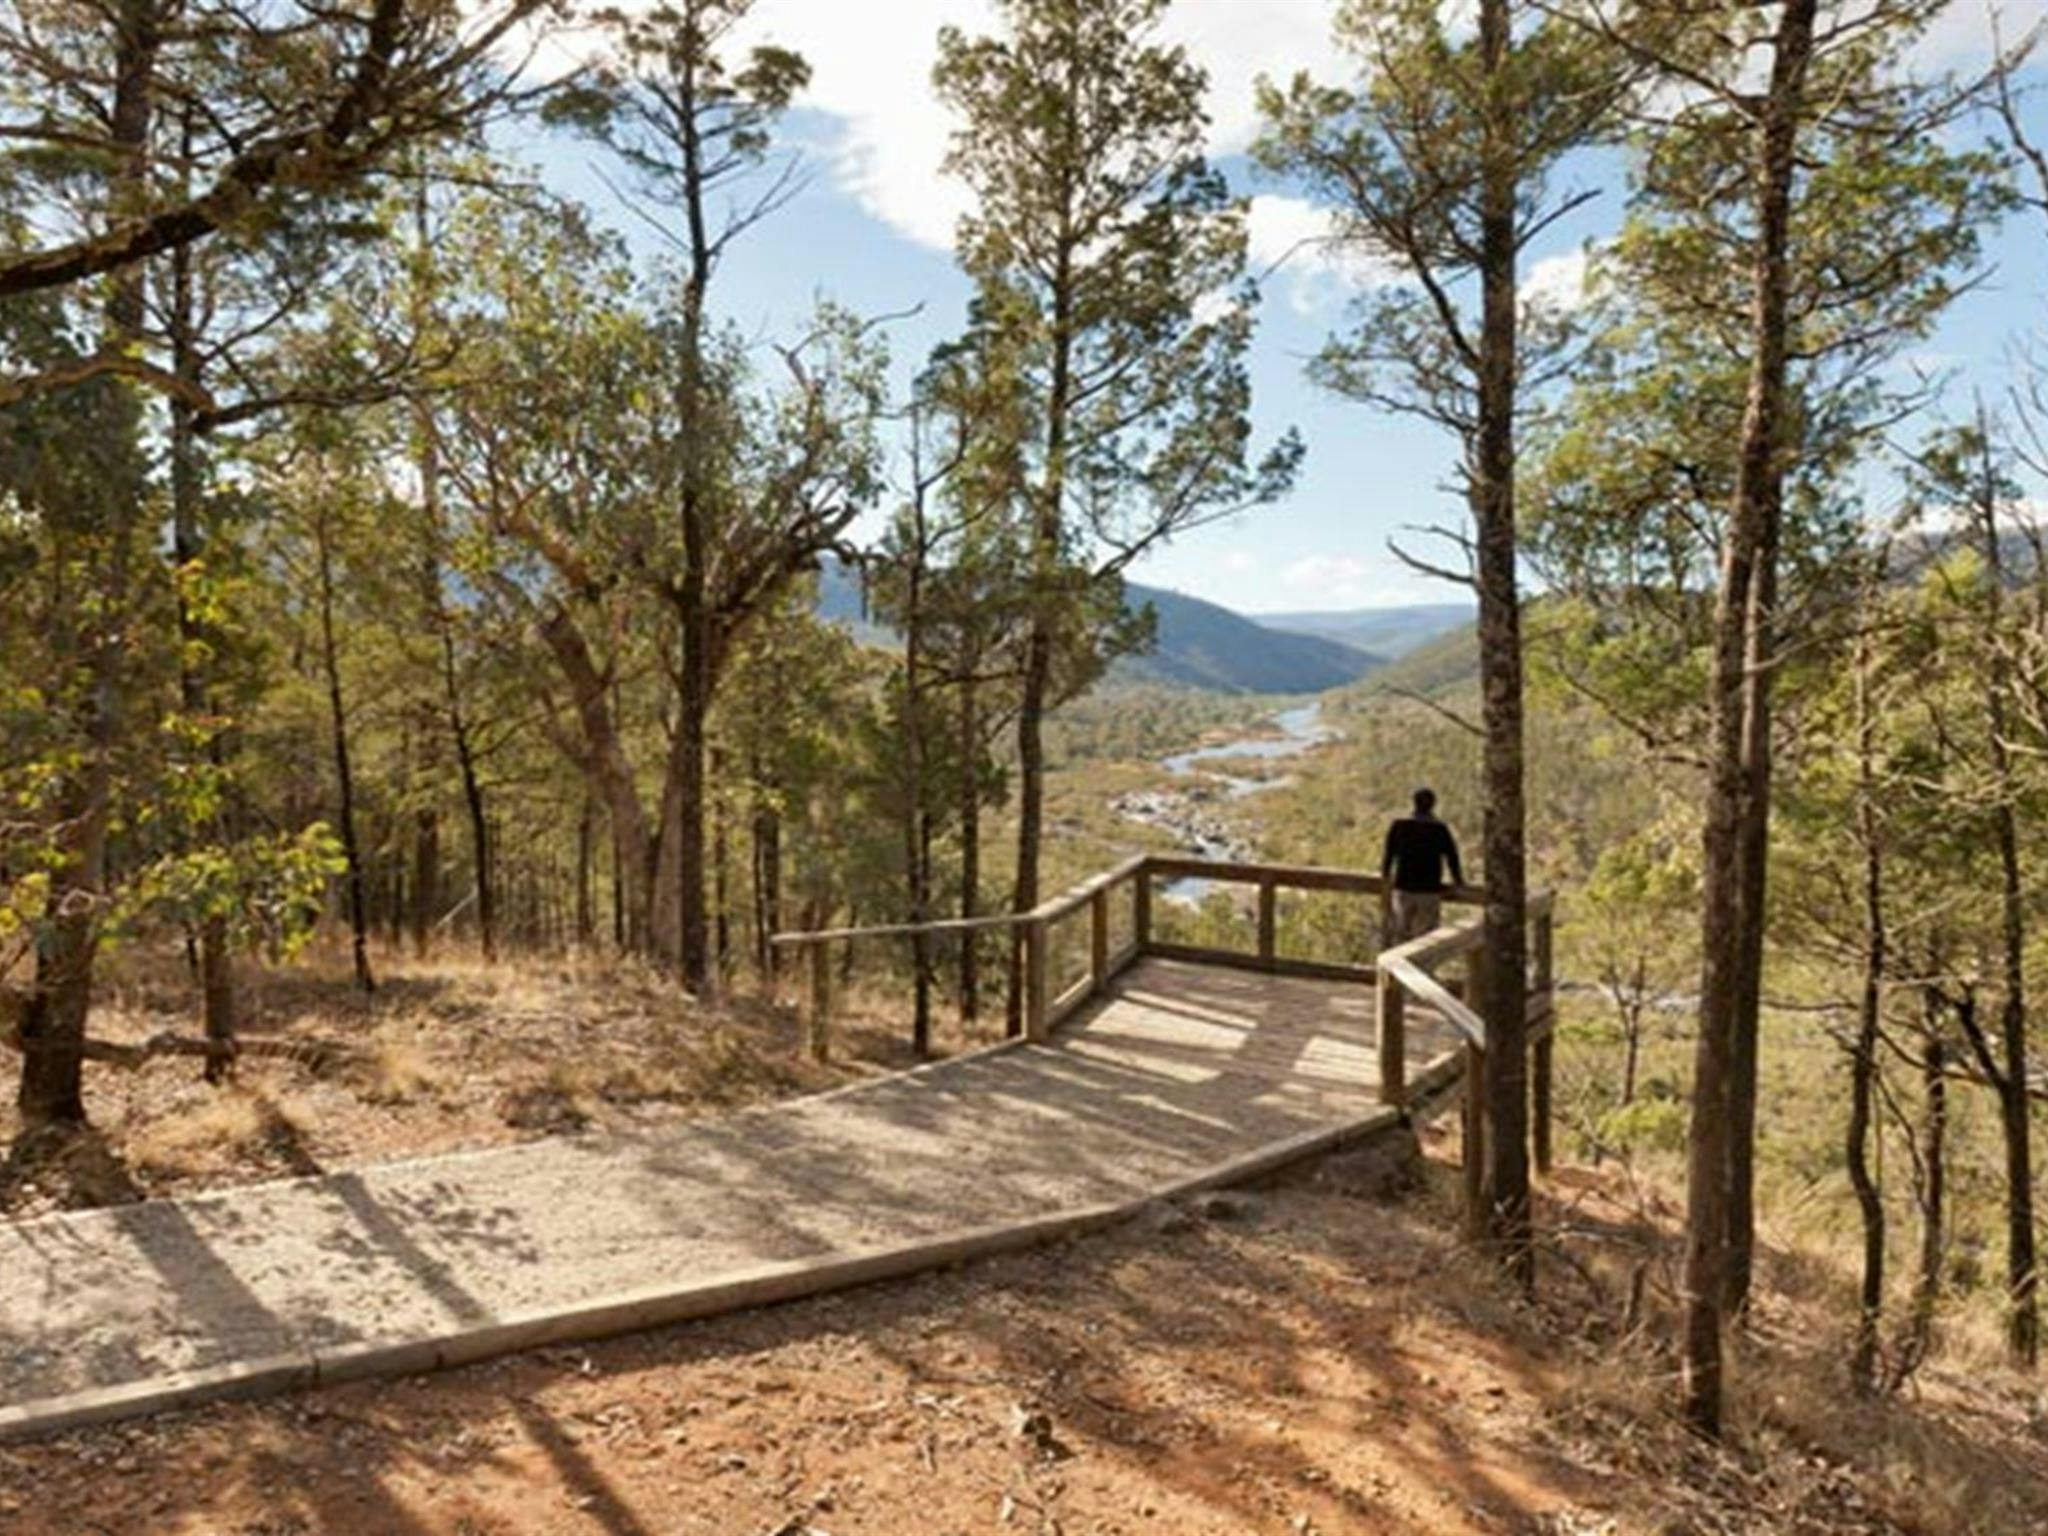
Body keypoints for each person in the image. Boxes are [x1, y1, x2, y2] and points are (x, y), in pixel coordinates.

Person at [1379, 788, 1464, 943]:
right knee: (1427, 938)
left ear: (1414, 803)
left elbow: (1389, 854)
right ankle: (1423, 967)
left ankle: (1398, 966)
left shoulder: (1399, 826)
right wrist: (1458, 881)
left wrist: (1386, 876)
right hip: (1429, 889)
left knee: (1401, 933)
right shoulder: (1439, 829)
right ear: (1433, 805)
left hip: (1403, 887)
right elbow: (1452, 858)